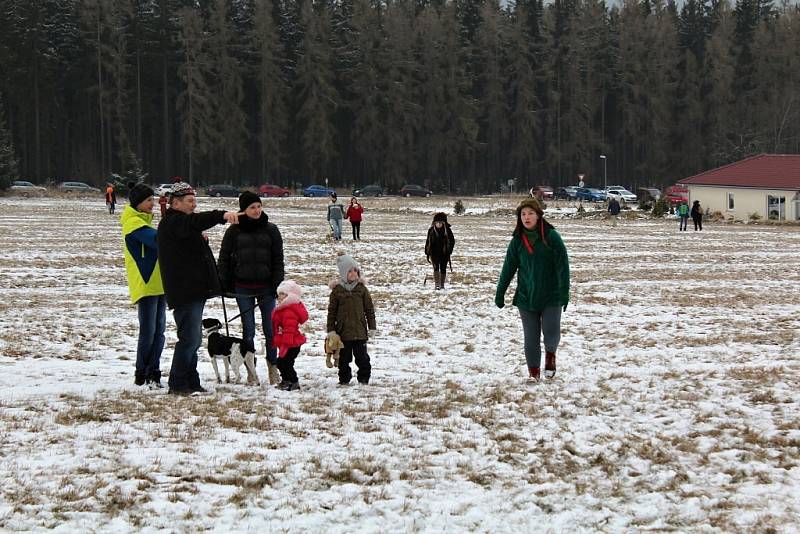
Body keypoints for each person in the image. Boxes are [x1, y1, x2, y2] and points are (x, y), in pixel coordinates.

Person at [157, 182, 241, 396]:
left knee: (193, 338)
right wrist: (222, 215)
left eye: (195, 201)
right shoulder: (174, 222)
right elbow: (196, 221)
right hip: (185, 291)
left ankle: (191, 380)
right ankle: (177, 383)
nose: (194, 205)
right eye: (190, 201)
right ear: (175, 204)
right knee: (190, 338)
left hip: (194, 290)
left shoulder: (182, 225)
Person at [495, 198, 570, 382]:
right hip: (526, 296)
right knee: (531, 336)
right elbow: (508, 268)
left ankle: (550, 356)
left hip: (551, 296)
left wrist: (564, 292)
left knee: (551, 332)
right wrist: (500, 292)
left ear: (538, 215)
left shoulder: (552, 237)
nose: (526, 217)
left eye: (530, 213)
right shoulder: (517, 241)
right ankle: (533, 373)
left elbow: (562, 265)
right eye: (523, 214)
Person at [217, 191, 285, 386]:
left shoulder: (271, 230)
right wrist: (224, 283)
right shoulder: (233, 231)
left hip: (266, 289)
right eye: (252, 207)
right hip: (242, 287)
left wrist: (276, 284)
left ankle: (273, 367)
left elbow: (278, 260)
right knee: (248, 331)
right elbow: (224, 259)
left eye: (258, 206)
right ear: (243, 210)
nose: (256, 211)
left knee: (270, 330)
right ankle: (251, 370)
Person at [121, 182, 166, 388]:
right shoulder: (133, 223)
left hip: (159, 284)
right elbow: (160, 241)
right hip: (147, 284)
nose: (153, 204)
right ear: (138, 202)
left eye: (153, 200)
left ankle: (154, 371)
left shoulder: (145, 222)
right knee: (148, 332)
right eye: (149, 200)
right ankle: (142, 372)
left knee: (159, 332)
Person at [327, 253, 376, 386]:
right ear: (344, 273)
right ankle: (344, 379)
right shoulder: (337, 291)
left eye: (355, 270)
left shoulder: (362, 290)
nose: (354, 273)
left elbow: (369, 310)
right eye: (350, 271)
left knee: (362, 358)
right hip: (343, 333)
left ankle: (364, 378)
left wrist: (372, 327)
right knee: (344, 359)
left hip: (360, 332)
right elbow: (331, 312)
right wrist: (331, 330)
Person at [271, 280, 308, 391]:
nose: (279, 297)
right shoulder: (283, 309)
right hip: (286, 341)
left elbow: (290, 328)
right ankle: (286, 380)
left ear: (290, 296)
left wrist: (286, 342)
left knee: (285, 363)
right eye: (279, 294)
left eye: (283, 294)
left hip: (292, 343)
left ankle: (293, 381)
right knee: (282, 363)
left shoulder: (289, 311)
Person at [424, 212, 455, 290]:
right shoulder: (431, 230)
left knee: (443, 268)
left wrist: (449, 251)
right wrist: (427, 251)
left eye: (440, 222)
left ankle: (442, 285)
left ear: (443, 223)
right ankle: (437, 284)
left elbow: (452, 241)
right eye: (437, 222)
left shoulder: (447, 231)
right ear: (434, 223)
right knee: (436, 268)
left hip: (444, 253)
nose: (438, 224)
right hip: (434, 253)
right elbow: (428, 241)